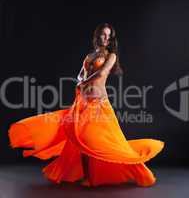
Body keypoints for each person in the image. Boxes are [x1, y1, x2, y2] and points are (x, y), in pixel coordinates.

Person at [8, 23, 165, 187]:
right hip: (83, 103)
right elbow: (80, 74)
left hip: (99, 105)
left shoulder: (111, 56)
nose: (105, 39)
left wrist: (84, 82)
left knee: (112, 144)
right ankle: (88, 177)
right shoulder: (90, 56)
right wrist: (81, 81)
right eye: (103, 35)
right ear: (97, 35)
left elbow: (102, 73)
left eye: (108, 36)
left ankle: (137, 169)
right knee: (80, 140)